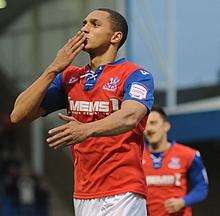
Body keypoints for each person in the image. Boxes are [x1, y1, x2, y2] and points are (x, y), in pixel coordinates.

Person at [10, 8, 154, 216]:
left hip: (124, 190)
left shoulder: (135, 75)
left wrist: (86, 130)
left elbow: (129, 117)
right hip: (84, 193)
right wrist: (53, 68)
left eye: (95, 24)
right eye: (84, 24)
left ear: (115, 37)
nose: (84, 29)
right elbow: (18, 115)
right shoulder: (69, 77)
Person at [142, 106, 208, 216]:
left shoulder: (188, 155)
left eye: (153, 123)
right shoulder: (136, 156)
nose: (149, 129)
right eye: (145, 125)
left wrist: (183, 201)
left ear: (166, 126)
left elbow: (201, 187)